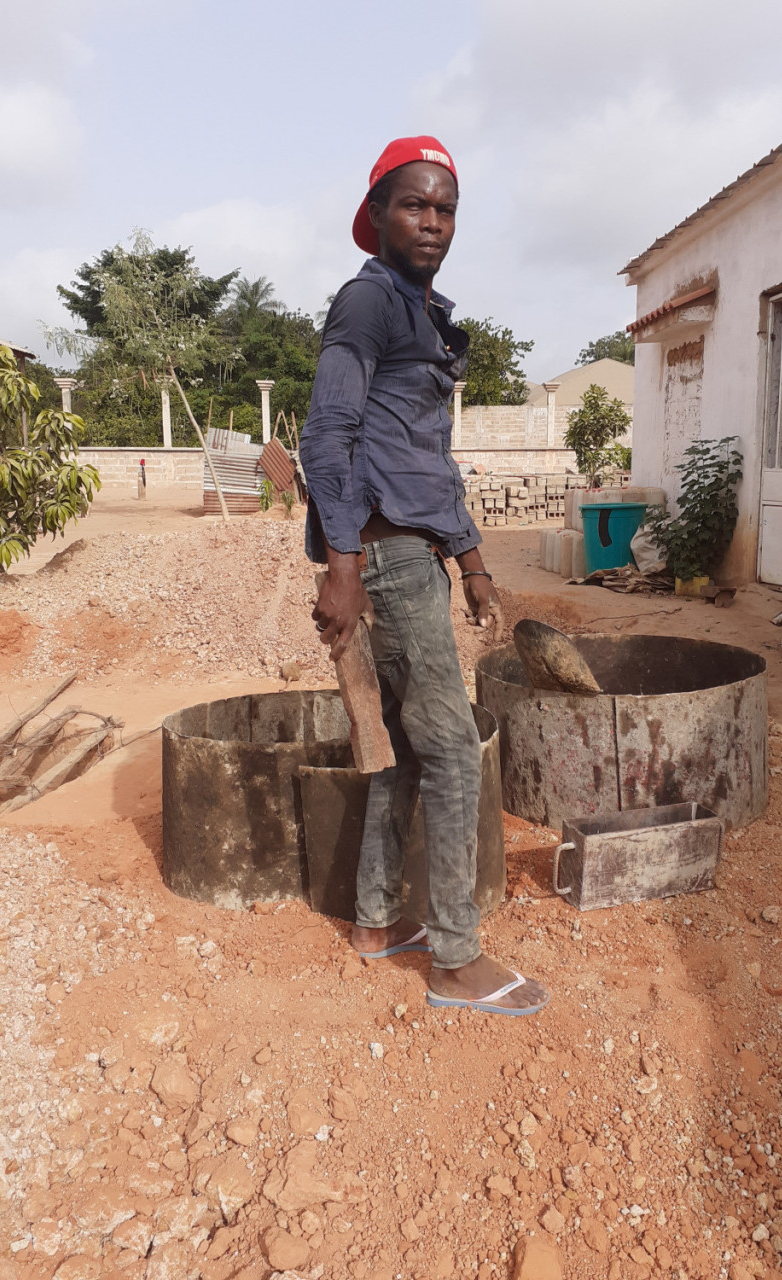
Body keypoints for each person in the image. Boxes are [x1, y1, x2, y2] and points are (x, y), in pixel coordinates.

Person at [299, 135, 548, 1016]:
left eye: (445, 208)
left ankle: (374, 921)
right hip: (387, 559)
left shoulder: (422, 310)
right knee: (450, 754)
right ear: (375, 215)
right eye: (414, 204)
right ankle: (455, 960)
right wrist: (342, 567)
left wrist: (474, 562)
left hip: (416, 554)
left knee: (410, 749)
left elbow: (425, 460)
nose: (432, 221)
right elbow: (327, 437)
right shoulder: (367, 304)